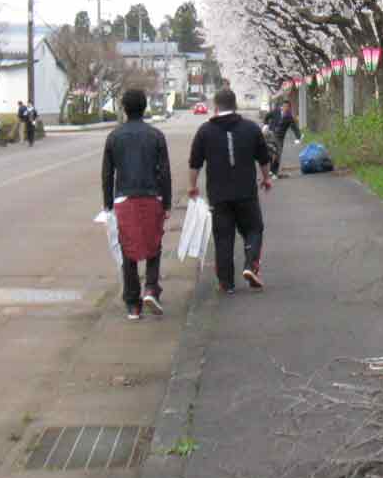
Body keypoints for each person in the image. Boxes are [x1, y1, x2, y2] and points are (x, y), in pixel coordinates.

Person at [188, 87, 272, 293]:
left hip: (219, 195)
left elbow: (194, 163)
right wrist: (266, 177)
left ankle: (226, 283)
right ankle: (251, 265)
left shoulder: (204, 131)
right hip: (246, 192)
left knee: (223, 237)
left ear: (215, 107)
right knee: (253, 229)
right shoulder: (251, 128)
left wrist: (192, 186)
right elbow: (263, 158)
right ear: (235, 105)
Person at [102, 89, 173, 320]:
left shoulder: (114, 136)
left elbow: (107, 173)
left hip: (124, 197)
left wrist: (108, 204)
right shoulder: (156, 135)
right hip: (152, 195)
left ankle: (133, 304)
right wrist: (167, 201)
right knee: (154, 244)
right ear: (145, 108)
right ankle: (151, 288)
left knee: (127, 248)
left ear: (124, 108)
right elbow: (164, 172)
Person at [263, 99, 302, 176]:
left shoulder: (289, 116)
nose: (285, 108)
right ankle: (270, 169)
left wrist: (298, 137)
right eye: (284, 106)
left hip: (280, 137)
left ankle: (274, 172)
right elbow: (267, 116)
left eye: (287, 107)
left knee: (278, 154)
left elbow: (294, 127)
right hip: (271, 134)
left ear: (289, 108)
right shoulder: (276, 111)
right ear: (282, 106)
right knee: (270, 152)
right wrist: (266, 124)